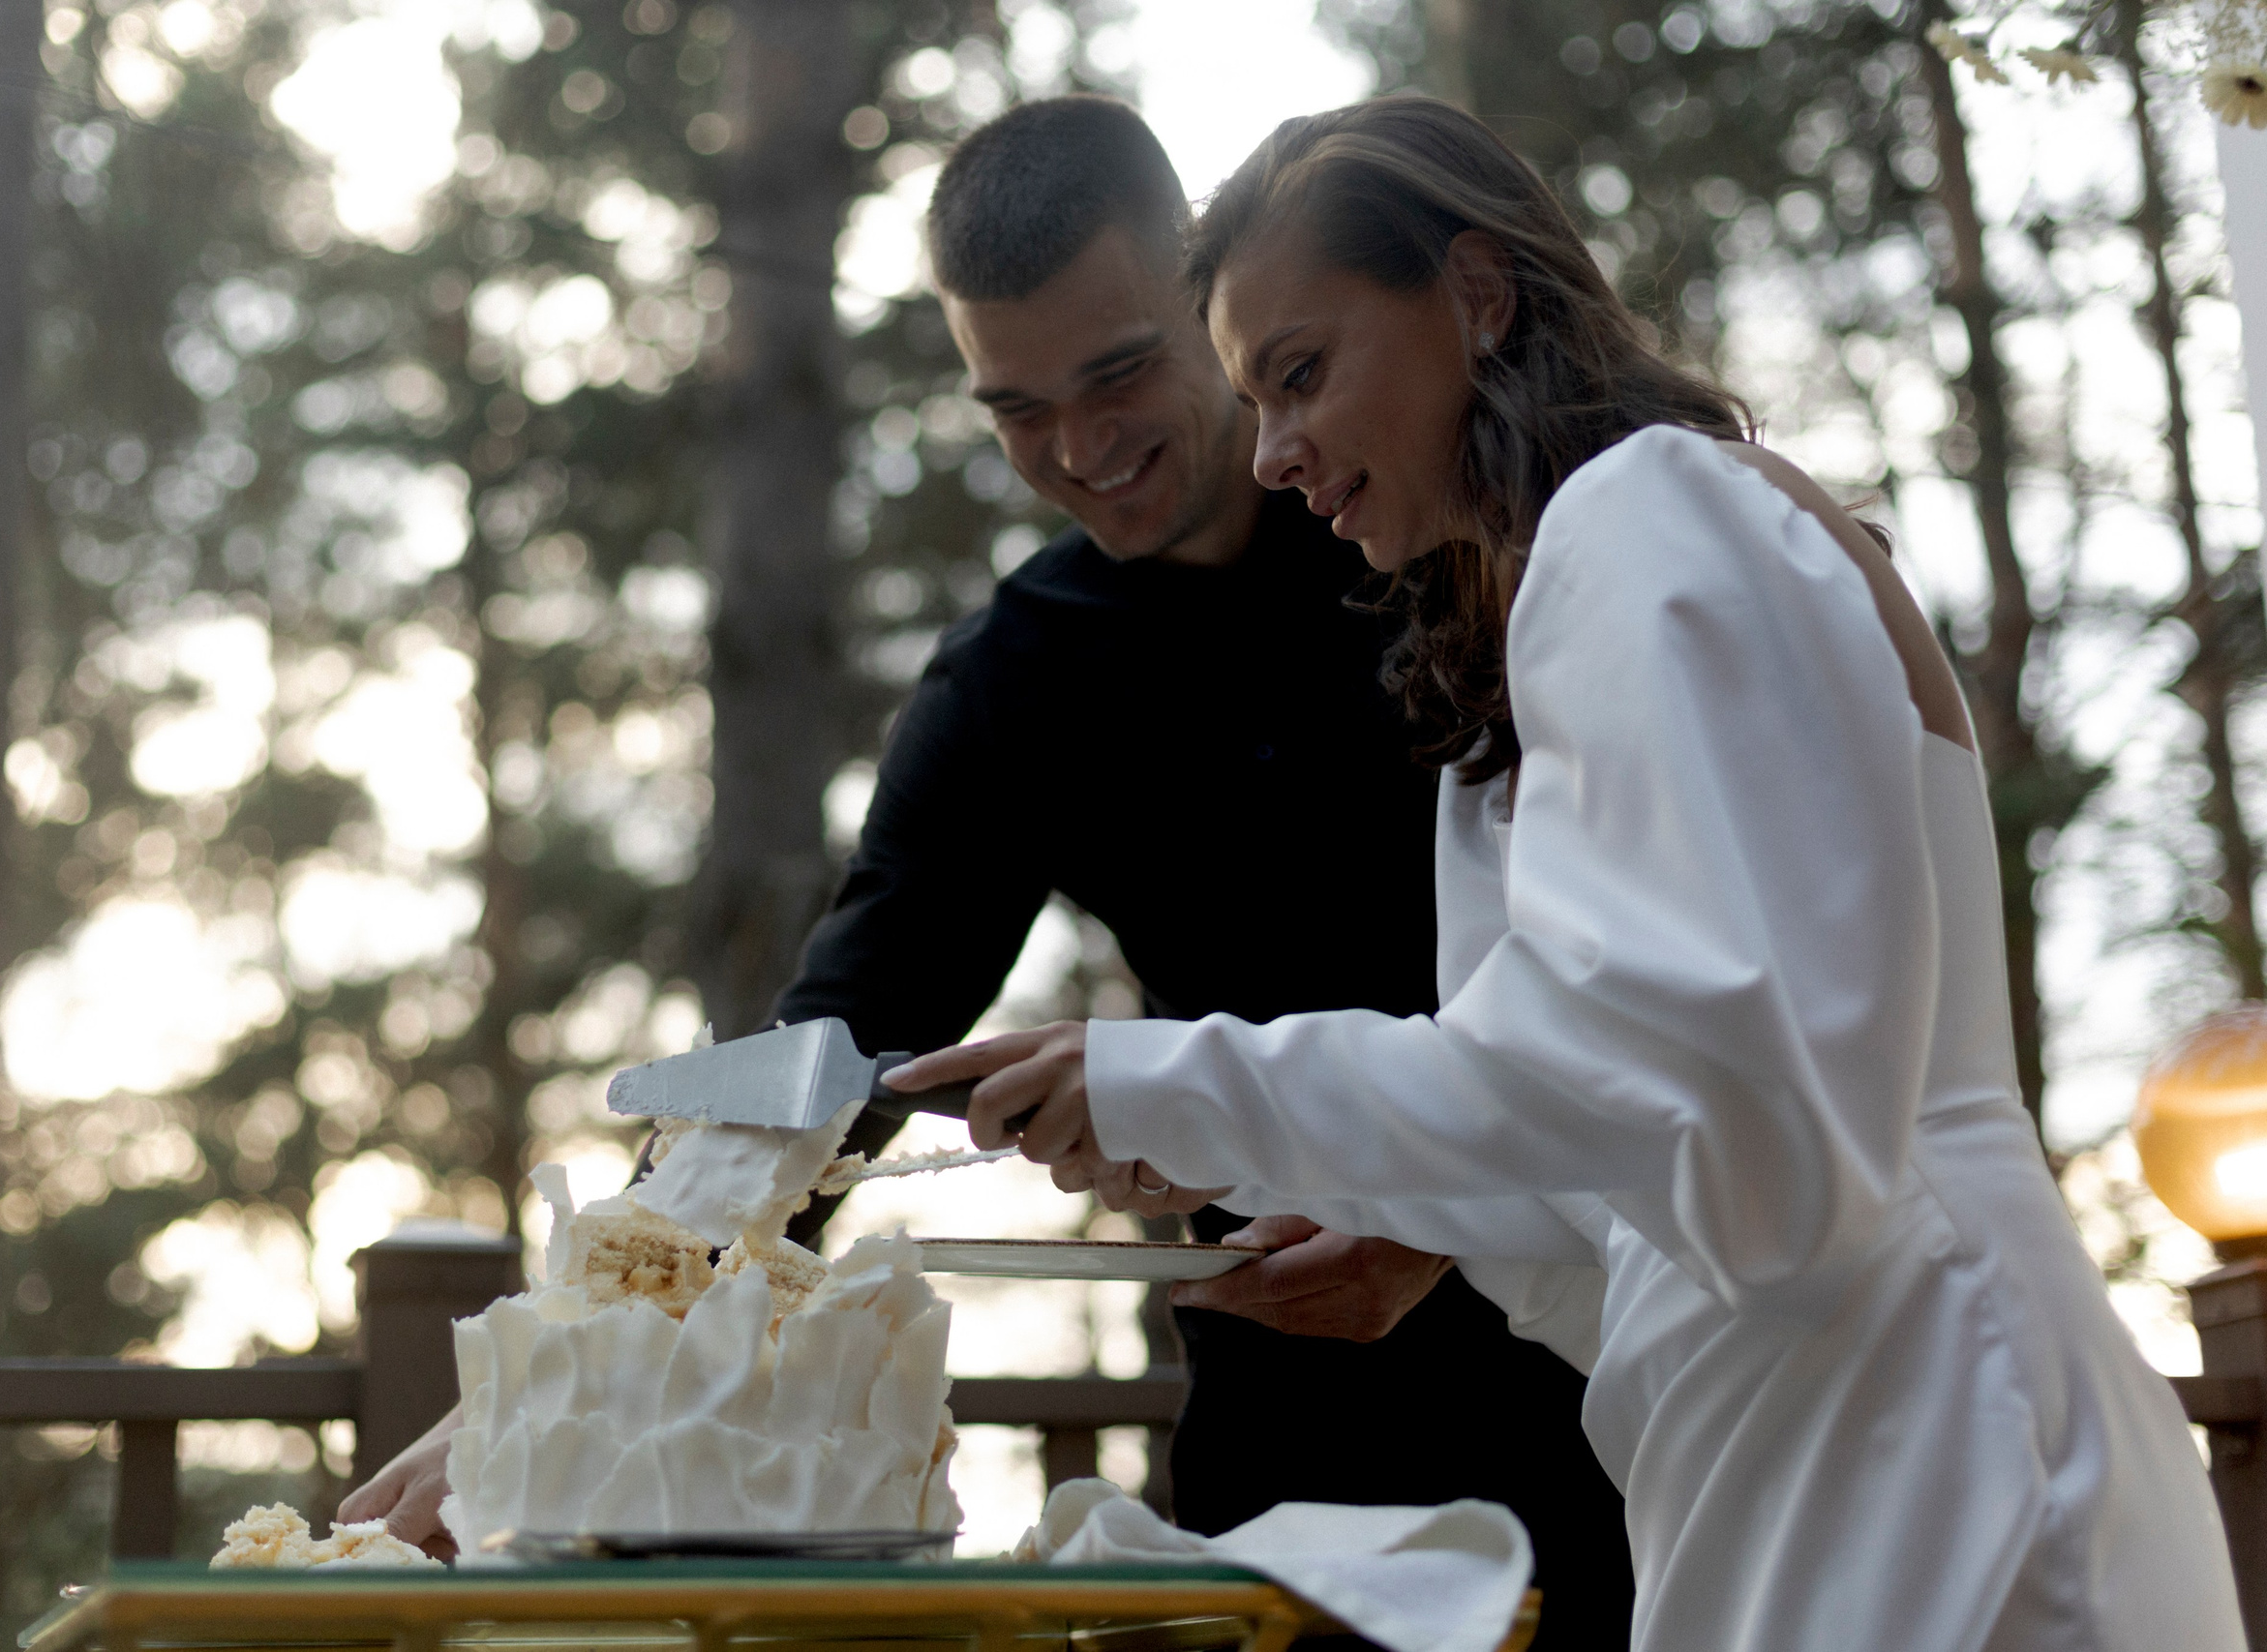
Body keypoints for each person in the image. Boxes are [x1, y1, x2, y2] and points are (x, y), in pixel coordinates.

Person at [890, 95, 2244, 1652]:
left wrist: (1168, 1085)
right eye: (1255, 396)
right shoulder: (1528, 626)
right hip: (1780, 1434)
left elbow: (1685, 1067)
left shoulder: (1650, 513)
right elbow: (1644, 1134)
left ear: (1476, 291)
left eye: (1305, 373)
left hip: (1934, 1419)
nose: (1271, 455)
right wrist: (1381, 1211)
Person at [344, 96, 1635, 1645]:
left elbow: (1647, 980)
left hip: (1614, 1379)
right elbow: (835, 1046)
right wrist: (571, 1351)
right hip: (1292, 1446)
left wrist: (1446, 1215)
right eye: (1018, 412)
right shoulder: (1013, 683)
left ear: (1211, 297)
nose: (1084, 451)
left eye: (1121, 372)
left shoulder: (1449, 519)